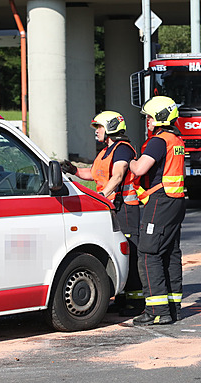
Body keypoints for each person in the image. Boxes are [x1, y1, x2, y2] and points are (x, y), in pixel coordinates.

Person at [61, 111, 144, 316]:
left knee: (130, 253)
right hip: (112, 206)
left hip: (125, 207)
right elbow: (93, 173)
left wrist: (99, 197)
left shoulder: (122, 149)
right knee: (117, 251)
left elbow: (117, 176)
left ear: (110, 128)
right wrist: (72, 169)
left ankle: (136, 301)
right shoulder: (106, 150)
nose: (96, 132)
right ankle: (124, 297)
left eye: (99, 127)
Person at [129, 96, 186, 326]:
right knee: (170, 252)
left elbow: (141, 167)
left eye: (150, 118)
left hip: (161, 202)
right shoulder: (176, 139)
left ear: (160, 118)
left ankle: (157, 311)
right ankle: (173, 308)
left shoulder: (158, 141)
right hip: (176, 201)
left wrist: (130, 162)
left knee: (147, 253)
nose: (148, 122)